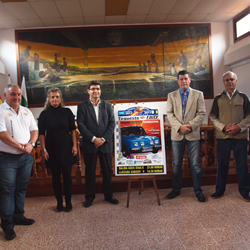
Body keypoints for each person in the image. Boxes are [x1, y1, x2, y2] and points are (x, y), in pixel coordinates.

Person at [0, 84, 38, 241]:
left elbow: (34, 131)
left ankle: (19, 216)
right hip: (7, 158)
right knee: (7, 192)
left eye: (18, 94)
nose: (16, 97)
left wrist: (31, 144)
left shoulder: (26, 111)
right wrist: (21, 146)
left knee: (21, 189)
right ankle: (8, 225)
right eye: (13, 94)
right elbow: (2, 134)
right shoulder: (1, 111)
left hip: (26, 157)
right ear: (5, 95)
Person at [77, 80, 119, 207]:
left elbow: (112, 123)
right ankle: (90, 197)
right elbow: (81, 125)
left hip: (105, 144)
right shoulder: (82, 106)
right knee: (90, 172)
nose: (96, 91)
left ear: (100, 91)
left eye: (98, 89)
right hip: (90, 144)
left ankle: (109, 195)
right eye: (93, 88)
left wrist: (103, 139)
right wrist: (93, 139)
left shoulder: (107, 105)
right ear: (88, 90)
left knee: (107, 171)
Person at [209, 71, 250, 201]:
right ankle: (219, 190)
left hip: (240, 138)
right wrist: (223, 127)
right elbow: (212, 116)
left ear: (236, 81)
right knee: (222, 165)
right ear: (223, 82)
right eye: (227, 80)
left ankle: (244, 191)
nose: (229, 82)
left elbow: (249, 116)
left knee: (242, 165)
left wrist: (239, 127)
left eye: (232, 79)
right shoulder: (218, 99)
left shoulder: (243, 97)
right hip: (223, 138)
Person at [166, 70, 206, 202]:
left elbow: (201, 113)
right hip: (177, 135)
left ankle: (198, 191)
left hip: (192, 134)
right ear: (178, 81)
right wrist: (179, 127)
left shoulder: (198, 94)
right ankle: (176, 190)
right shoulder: (171, 96)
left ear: (190, 80)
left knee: (195, 164)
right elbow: (170, 114)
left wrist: (189, 126)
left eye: (186, 79)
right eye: (181, 79)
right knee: (177, 164)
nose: (184, 81)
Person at [38, 88, 77, 212]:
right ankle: (59, 202)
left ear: (61, 99)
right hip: (51, 149)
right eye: (52, 97)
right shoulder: (44, 114)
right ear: (49, 100)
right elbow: (41, 134)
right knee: (55, 177)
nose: (55, 99)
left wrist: (75, 146)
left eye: (57, 97)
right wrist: (44, 150)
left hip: (66, 148)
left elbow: (73, 130)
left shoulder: (67, 112)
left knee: (67, 177)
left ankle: (69, 202)